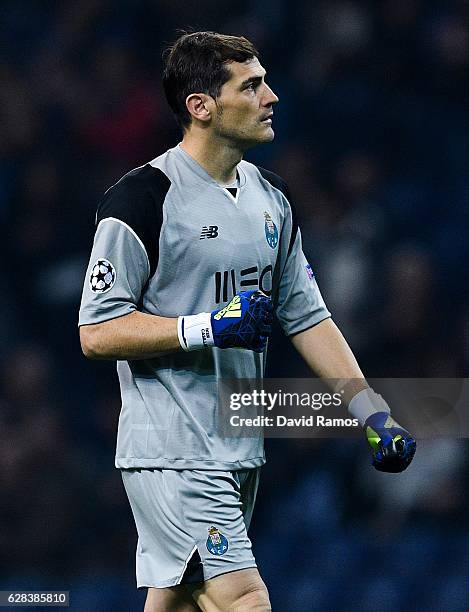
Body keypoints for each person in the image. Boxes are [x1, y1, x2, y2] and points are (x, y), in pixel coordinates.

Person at [79, 31, 416, 612]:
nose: (272, 97)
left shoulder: (272, 200)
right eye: (252, 85)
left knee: (182, 601)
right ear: (201, 106)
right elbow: (96, 331)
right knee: (244, 598)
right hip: (174, 445)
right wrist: (204, 327)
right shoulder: (141, 200)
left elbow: (308, 317)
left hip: (237, 445)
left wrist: (372, 412)